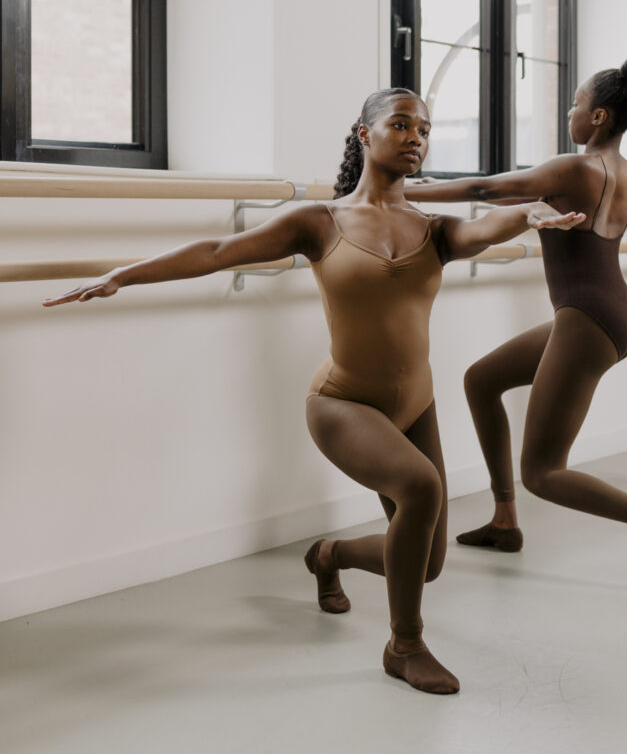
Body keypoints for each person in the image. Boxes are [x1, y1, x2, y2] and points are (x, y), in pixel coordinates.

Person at [44, 87, 584, 694]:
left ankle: (329, 556)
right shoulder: (320, 223)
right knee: (423, 487)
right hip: (342, 403)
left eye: (425, 130)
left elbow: (486, 226)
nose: (415, 137)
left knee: (427, 563)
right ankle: (404, 646)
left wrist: (530, 213)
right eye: (401, 124)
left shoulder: (433, 229)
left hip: (416, 406)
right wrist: (125, 275)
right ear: (364, 133)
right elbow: (220, 251)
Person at [404, 55, 627, 595]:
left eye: (575, 103)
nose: (569, 111)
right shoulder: (623, 170)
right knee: (482, 380)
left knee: (544, 471)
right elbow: (517, 201)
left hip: (587, 318)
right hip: (603, 311)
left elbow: (488, 190)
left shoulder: (578, 168)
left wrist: (403, 190)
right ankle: (504, 522)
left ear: (597, 117)